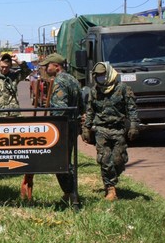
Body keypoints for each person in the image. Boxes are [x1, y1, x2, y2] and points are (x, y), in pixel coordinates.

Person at [22, 53, 83, 203]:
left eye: (48, 65)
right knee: (67, 159)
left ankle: (70, 193)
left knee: (60, 161)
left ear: (56, 66)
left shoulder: (60, 81)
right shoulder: (73, 80)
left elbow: (60, 109)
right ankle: (70, 193)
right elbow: (81, 105)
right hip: (72, 124)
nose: (45, 68)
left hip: (62, 127)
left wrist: (51, 126)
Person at [82, 62, 139, 201]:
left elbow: (131, 109)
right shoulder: (94, 91)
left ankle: (113, 177)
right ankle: (110, 188)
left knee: (118, 160)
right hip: (101, 129)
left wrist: (133, 126)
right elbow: (90, 111)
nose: (100, 78)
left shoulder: (123, 89)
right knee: (105, 160)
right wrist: (86, 128)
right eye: (98, 75)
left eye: (103, 75)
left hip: (118, 129)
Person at [0, 53, 31, 117]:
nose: (4, 69)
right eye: (2, 67)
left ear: (10, 66)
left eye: (7, 67)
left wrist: (18, 61)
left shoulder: (14, 76)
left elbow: (27, 71)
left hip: (14, 113)